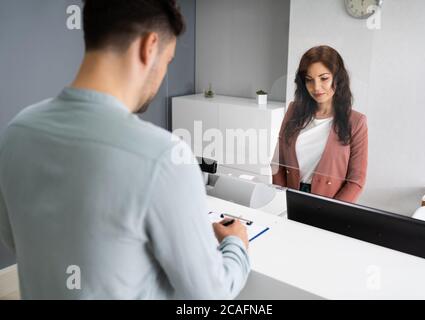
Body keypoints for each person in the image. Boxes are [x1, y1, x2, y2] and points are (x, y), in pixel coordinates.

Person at [0, 0, 250, 300]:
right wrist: (236, 244)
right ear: (149, 46)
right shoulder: (165, 158)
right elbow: (212, 296)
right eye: (168, 60)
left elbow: (15, 239)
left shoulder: (16, 132)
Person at [272, 45, 368, 203]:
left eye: (324, 78)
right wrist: (281, 199)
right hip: (290, 198)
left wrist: (333, 210)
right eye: (309, 80)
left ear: (338, 78)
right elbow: (278, 163)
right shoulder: (293, 111)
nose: (316, 87)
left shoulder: (356, 122)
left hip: (330, 204)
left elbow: (356, 181)